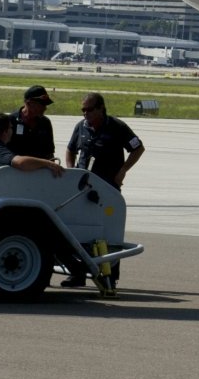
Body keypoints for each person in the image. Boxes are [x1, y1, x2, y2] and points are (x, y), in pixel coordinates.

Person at [62, 93, 145, 287]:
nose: (85, 114)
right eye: (83, 110)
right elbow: (70, 149)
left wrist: (123, 171)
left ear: (101, 108)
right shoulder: (81, 127)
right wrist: (71, 170)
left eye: (89, 110)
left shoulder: (117, 127)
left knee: (108, 232)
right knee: (78, 230)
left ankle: (110, 276)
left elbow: (138, 148)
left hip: (108, 189)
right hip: (82, 189)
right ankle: (78, 274)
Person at [0, 112, 65, 181]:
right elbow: (21, 162)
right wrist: (48, 163)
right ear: (5, 131)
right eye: (11, 128)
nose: (12, 131)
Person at [7, 84, 56, 160]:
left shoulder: (45, 123)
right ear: (29, 103)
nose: (45, 108)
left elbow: (49, 153)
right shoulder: (10, 121)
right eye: (42, 104)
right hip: (15, 170)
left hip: (39, 170)